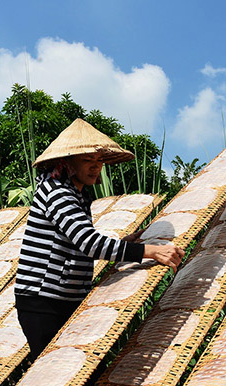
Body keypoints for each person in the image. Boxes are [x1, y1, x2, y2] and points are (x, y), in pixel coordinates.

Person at [15, 118, 184, 359]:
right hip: (44, 301)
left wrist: (126, 242)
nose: (95, 167)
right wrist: (151, 251)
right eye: (87, 161)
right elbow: (89, 243)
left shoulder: (78, 194)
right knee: (56, 371)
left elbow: (75, 243)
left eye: (99, 161)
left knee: (74, 369)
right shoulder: (56, 191)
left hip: (65, 298)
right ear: (68, 162)